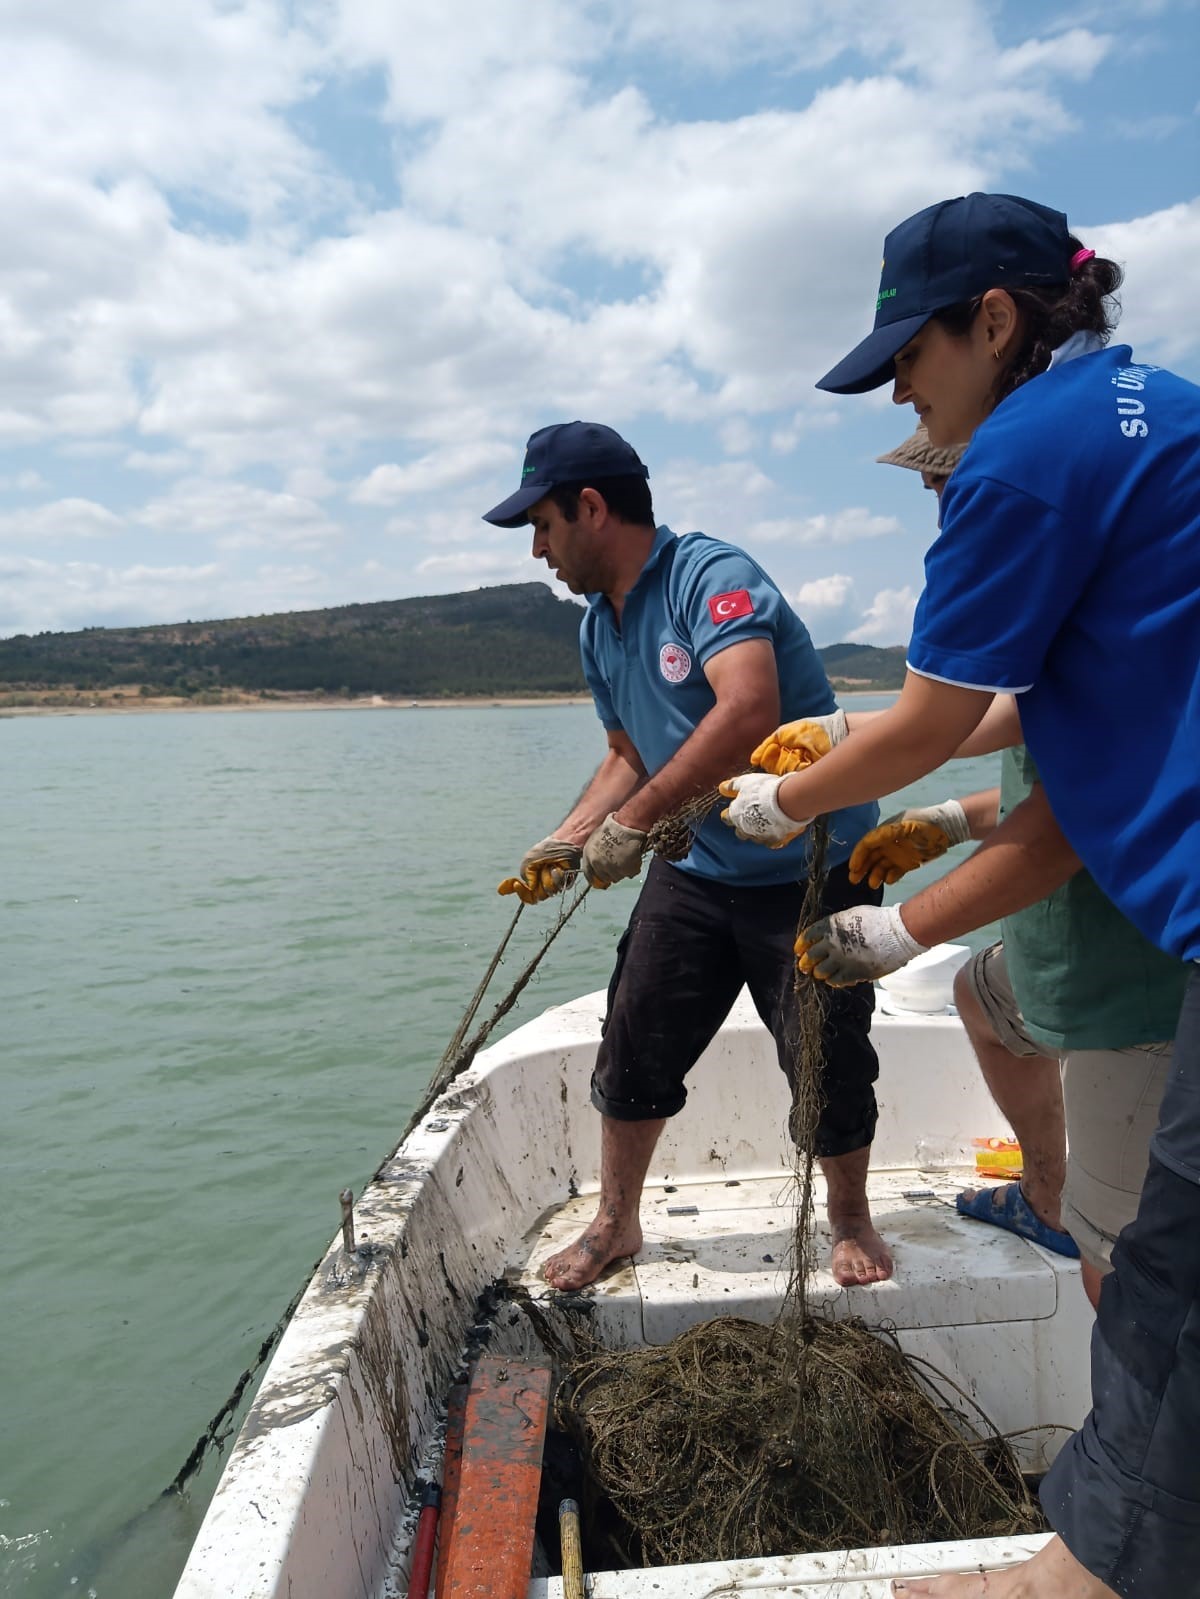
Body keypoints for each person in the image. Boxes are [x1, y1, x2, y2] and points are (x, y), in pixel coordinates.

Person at [718, 193, 1200, 1599]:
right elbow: (1055, 701)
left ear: (993, 321)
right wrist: (905, 791)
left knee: (1167, 1283)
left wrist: (785, 799)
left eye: (908, 362)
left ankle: (1076, 1580)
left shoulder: (1022, 459)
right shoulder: (1159, 409)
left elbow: (934, 718)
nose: (910, 401)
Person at [481, 420, 888, 1291]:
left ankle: (849, 1215)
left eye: (542, 525)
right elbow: (628, 752)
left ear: (591, 507)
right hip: (700, 869)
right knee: (632, 1040)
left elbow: (749, 712)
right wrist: (567, 839)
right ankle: (616, 1222)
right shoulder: (598, 628)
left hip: (810, 862)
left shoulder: (710, 577)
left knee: (827, 1056)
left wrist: (633, 822)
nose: (538, 549)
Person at [859, 429, 1188, 1306]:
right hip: (1055, 958)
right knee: (980, 997)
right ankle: (1046, 1191)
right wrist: (945, 816)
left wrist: (895, 929)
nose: (942, 510)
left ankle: (1129, 1436)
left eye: (949, 487)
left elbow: (1065, 829)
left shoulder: (1093, 596)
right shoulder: (1059, 607)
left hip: (1130, 980)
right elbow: (1029, 747)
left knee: (1116, 1270)